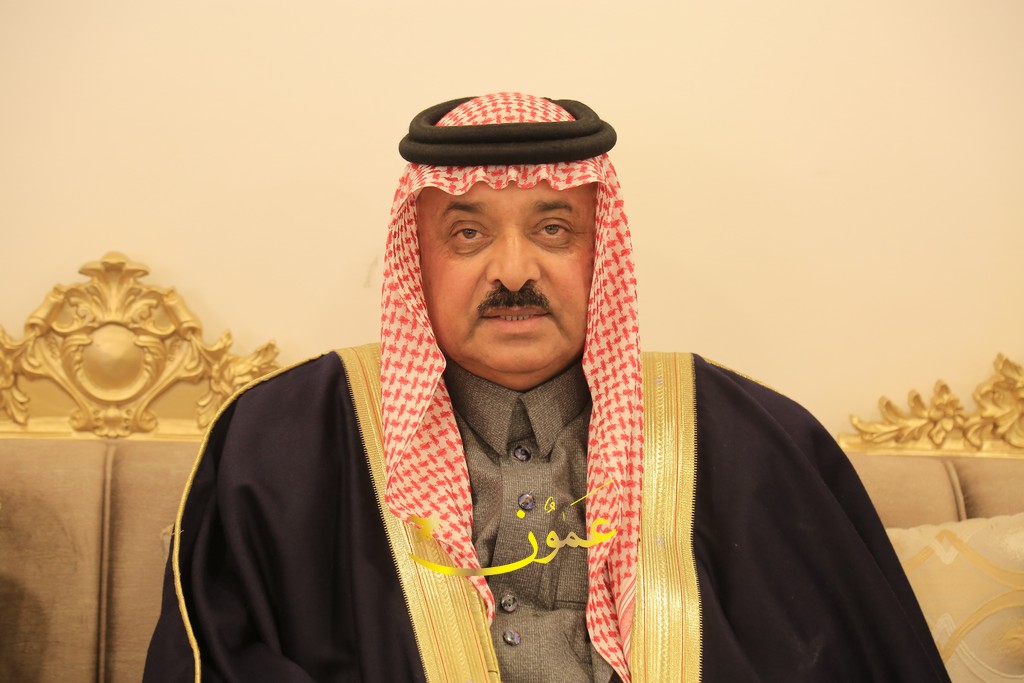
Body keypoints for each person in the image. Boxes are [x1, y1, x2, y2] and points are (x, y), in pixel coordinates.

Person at [143, 93, 950, 682]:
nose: (514, 270)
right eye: (467, 233)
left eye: (554, 228)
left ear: (603, 250)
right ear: (416, 260)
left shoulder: (750, 442)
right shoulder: (283, 445)